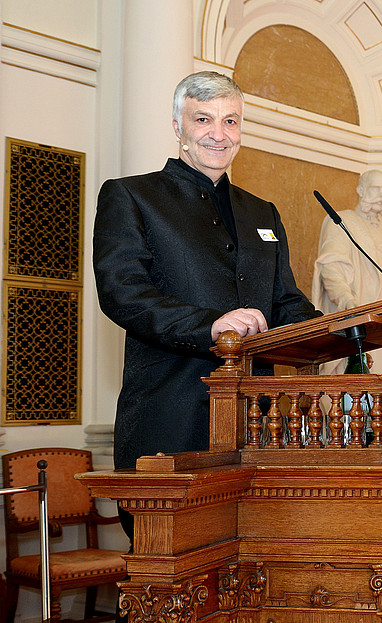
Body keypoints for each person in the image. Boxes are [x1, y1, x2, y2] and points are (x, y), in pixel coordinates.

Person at [93, 71, 321, 524]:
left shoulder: (263, 212)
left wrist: (344, 329)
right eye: (203, 119)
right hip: (170, 421)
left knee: (256, 559)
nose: (219, 133)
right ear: (178, 126)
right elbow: (123, 294)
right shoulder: (132, 196)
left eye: (230, 121)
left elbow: (286, 303)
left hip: (257, 426)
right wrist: (211, 325)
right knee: (167, 562)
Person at [311, 169, 382, 373]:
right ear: (361, 190)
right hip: (356, 327)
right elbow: (331, 269)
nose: (381, 195)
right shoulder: (341, 221)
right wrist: (349, 304)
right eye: (376, 188)